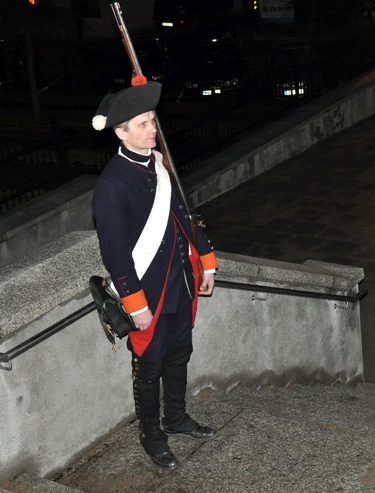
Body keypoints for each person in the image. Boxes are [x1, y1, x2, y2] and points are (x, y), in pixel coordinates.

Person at [91, 81, 219, 470]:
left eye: (152, 120)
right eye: (143, 123)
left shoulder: (160, 164)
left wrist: (207, 261)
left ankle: (177, 418)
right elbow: (115, 254)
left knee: (180, 353)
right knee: (149, 366)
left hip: (180, 281)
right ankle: (152, 435)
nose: (152, 129)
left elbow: (184, 214)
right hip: (148, 293)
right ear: (121, 132)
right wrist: (135, 305)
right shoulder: (111, 184)